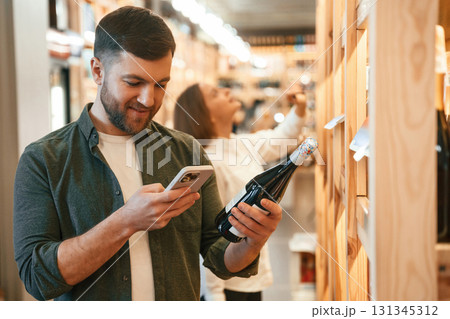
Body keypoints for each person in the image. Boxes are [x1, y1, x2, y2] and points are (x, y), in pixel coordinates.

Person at [13, 6, 282, 301]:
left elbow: (219, 257)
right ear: (97, 71)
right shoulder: (44, 160)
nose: (148, 99)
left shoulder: (186, 152)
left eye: (160, 85)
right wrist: (126, 221)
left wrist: (252, 241)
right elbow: (38, 277)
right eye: (134, 83)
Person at [173, 83, 306, 301]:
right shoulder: (208, 162)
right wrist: (215, 296)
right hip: (229, 286)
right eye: (215, 93)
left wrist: (299, 105)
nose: (227, 91)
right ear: (202, 115)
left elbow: (283, 137)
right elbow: (205, 238)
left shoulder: (239, 144)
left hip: (250, 273)